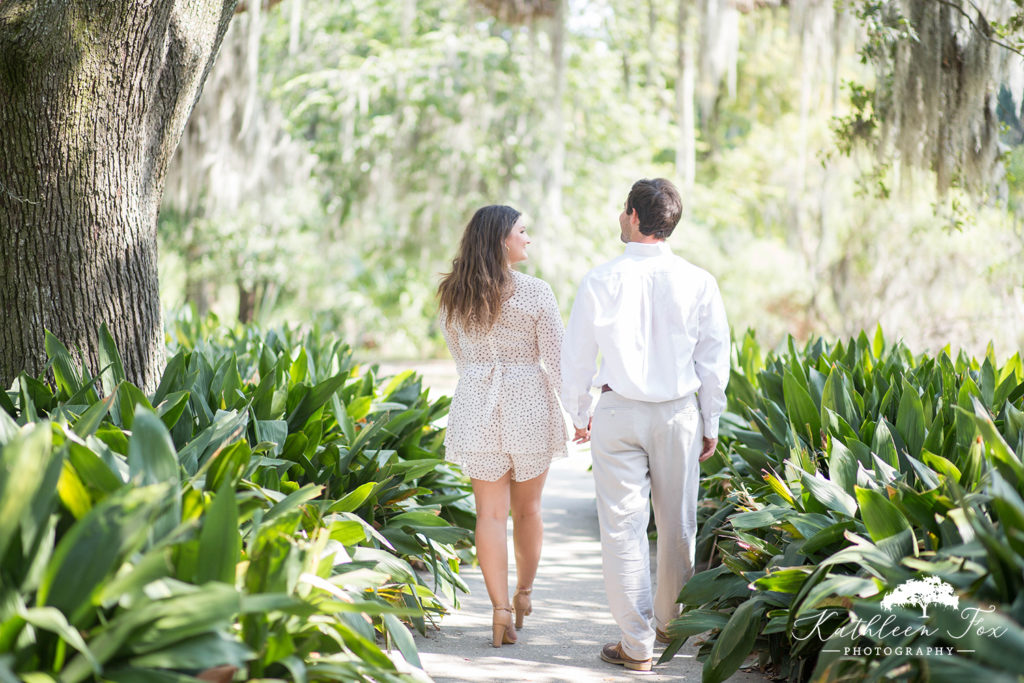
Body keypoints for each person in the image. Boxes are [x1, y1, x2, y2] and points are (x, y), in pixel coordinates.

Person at [561, 178, 730, 672]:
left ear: (634, 216)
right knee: (677, 523)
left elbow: (576, 356)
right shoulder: (700, 281)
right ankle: (671, 626)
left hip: (617, 409)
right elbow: (713, 359)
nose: (620, 216)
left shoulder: (600, 279)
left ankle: (636, 644)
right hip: (679, 412)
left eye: (623, 210)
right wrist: (711, 418)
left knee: (622, 529)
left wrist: (579, 412)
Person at [437, 205, 568, 648]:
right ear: (501, 241)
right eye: (522, 231)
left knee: (489, 514)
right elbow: (557, 359)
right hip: (529, 402)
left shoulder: (453, 295)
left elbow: (460, 358)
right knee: (527, 510)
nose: (528, 239)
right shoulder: (536, 292)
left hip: (476, 402)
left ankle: (498, 612)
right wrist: (578, 412)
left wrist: (482, 376)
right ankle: (524, 594)